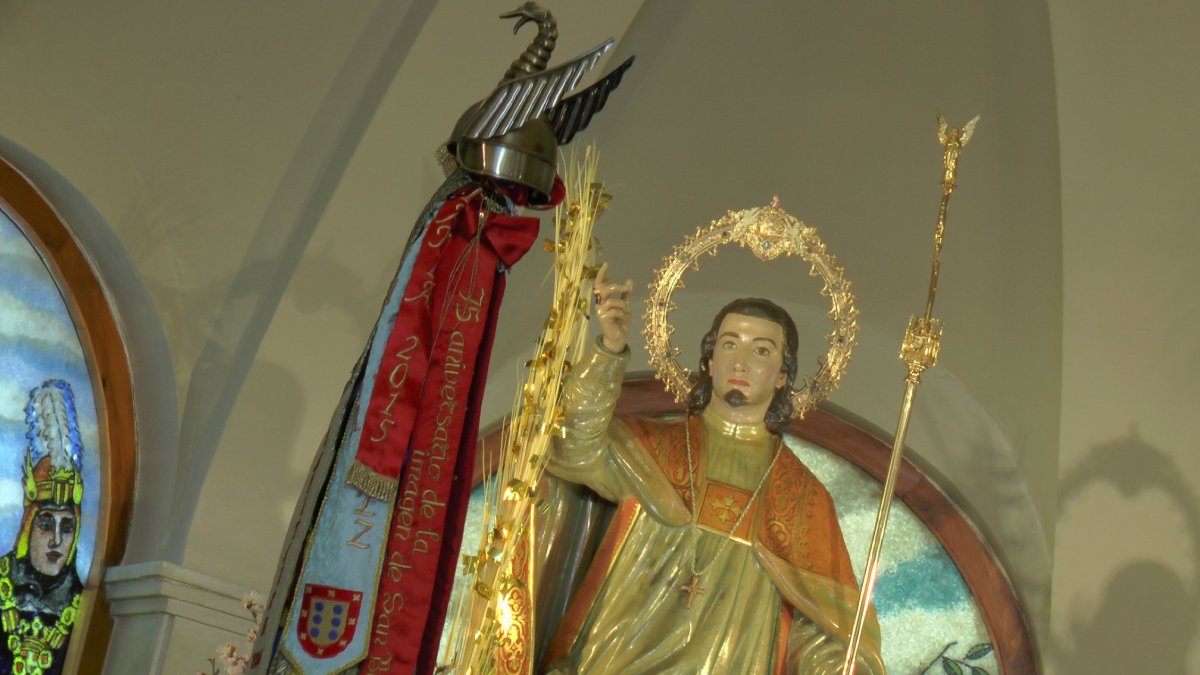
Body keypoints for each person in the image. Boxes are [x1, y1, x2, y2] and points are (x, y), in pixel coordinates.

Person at [539, 265, 885, 674]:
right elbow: (572, 446)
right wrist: (609, 351)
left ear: (782, 376)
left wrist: (842, 665)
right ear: (709, 361)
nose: (740, 361)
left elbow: (826, 631)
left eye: (761, 351)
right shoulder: (651, 444)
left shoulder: (802, 496)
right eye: (729, 344)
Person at [0, 380, 85, 675]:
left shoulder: (83, 601)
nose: (56, 541)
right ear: (28, 526)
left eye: (68, 527)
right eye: (46, 524)